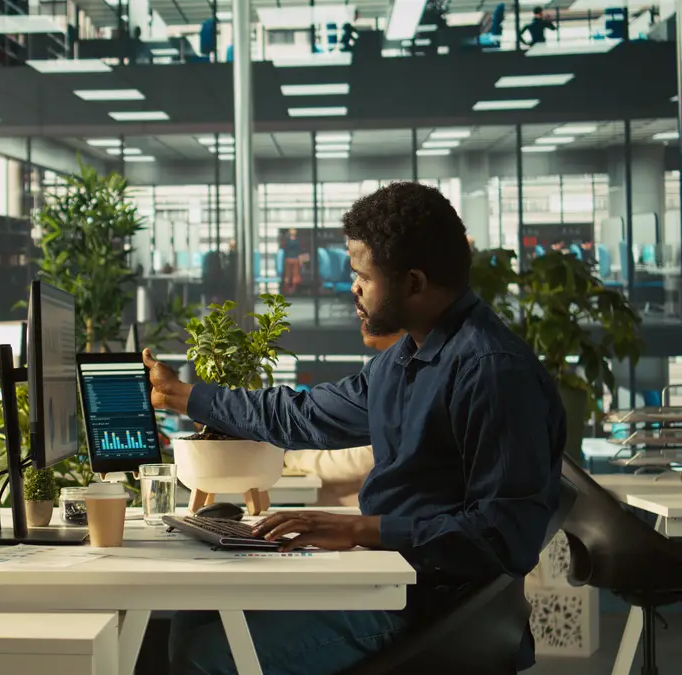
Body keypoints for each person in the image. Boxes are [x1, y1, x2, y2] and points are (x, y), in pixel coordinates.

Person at [143, 181, 564, 675]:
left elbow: (504, 536)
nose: (353, 288)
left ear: (413, 283)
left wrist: (358, 528)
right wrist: (182, 395)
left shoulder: (493, 371)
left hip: (432, 608)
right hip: (387, 578)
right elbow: (303, 414)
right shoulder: (406, 357)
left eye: (363, 276)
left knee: (208, 653)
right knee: (197, 616)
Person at [283, 322, 403, 507]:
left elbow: (363, 459)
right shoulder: (390, 367)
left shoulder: (406, 373)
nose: (360, 313)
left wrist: (291, 458)